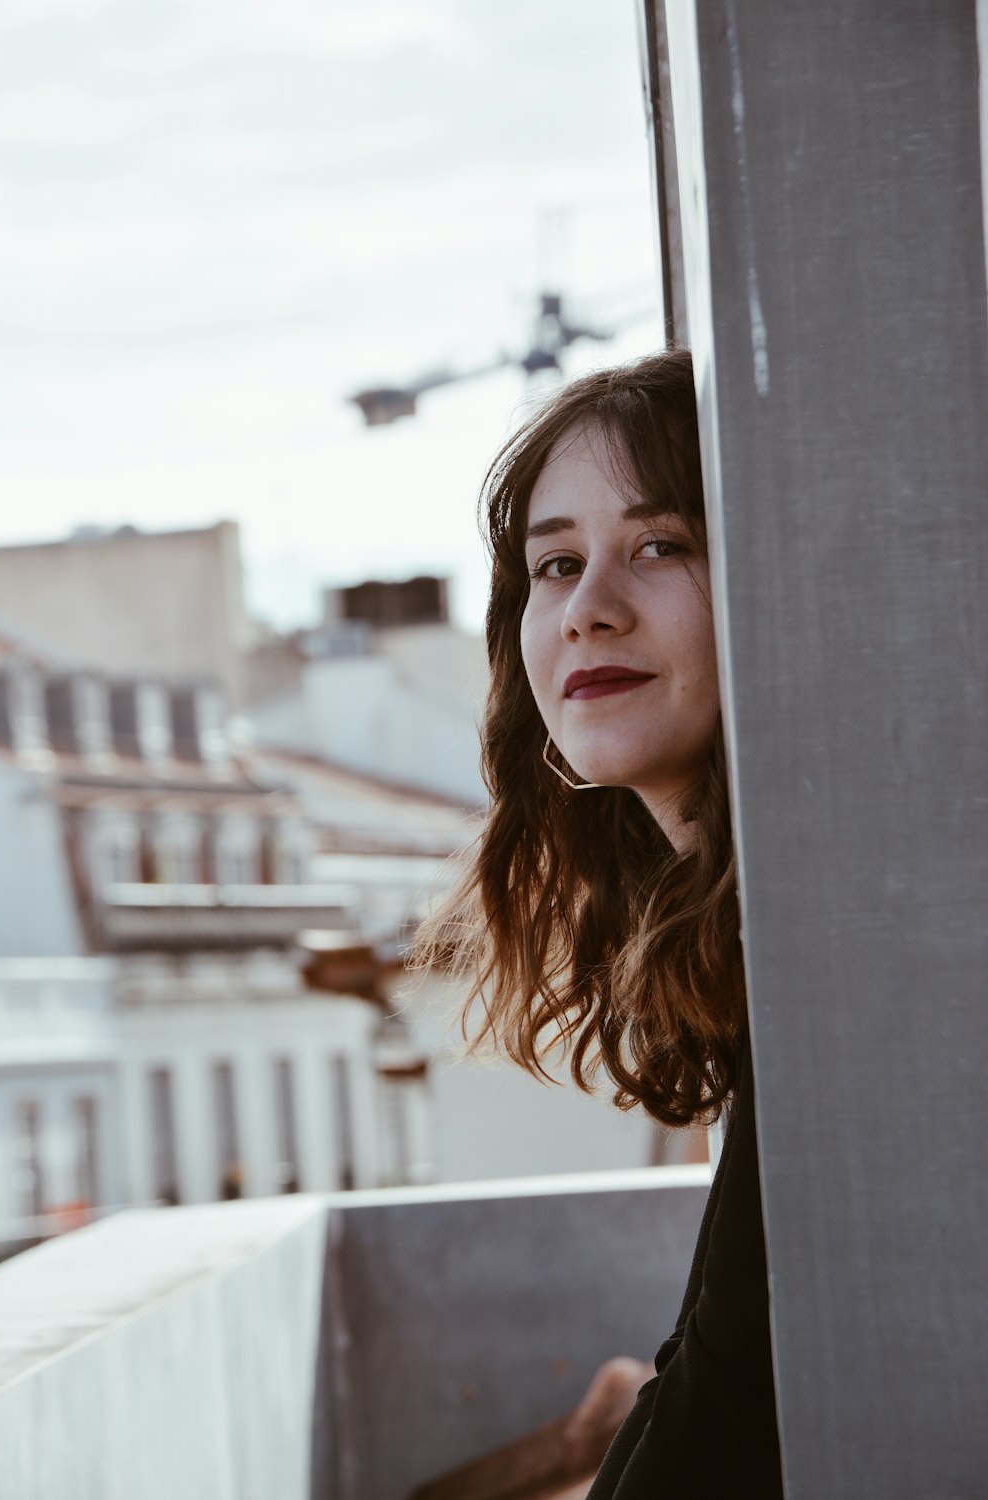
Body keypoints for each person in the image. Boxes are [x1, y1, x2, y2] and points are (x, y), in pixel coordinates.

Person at [414, 348, 782, 1496]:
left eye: (661, 544)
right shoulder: (744, 940)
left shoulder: (828, 948)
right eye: (555, 564)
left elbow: (728, 1397)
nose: (588, 610)